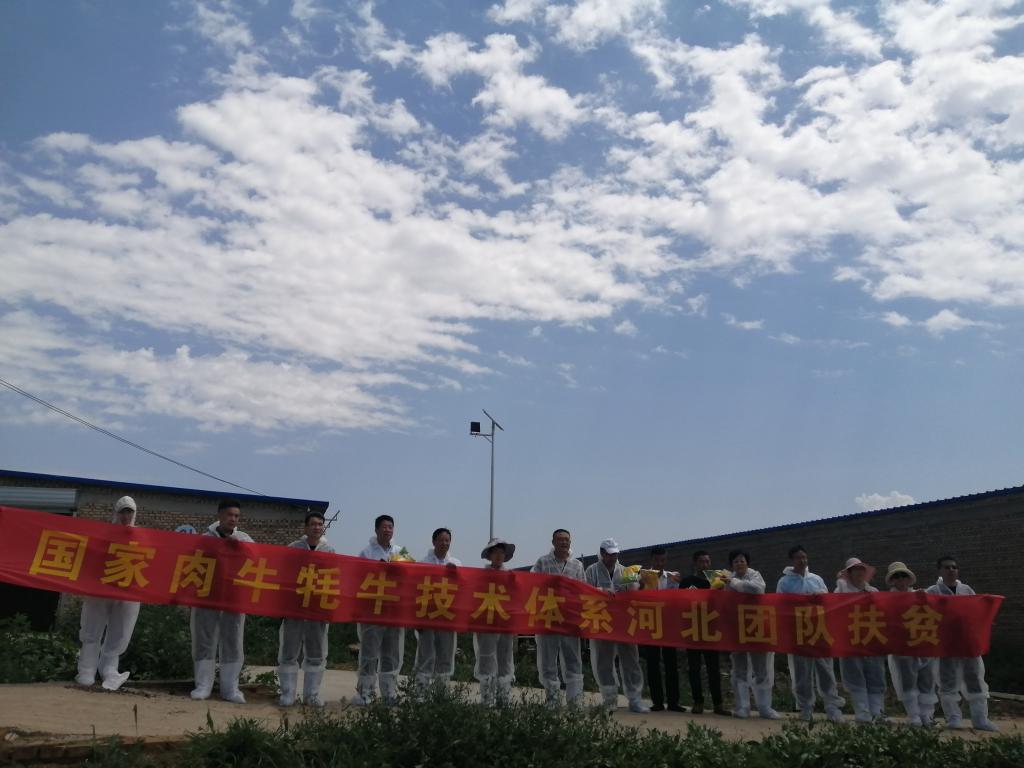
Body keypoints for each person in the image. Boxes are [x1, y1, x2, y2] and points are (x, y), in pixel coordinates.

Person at [190, 499, 254, 703]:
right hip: (207, 597)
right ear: (220, 516)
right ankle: (203, 686)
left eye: (236, 516)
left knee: (233, 641)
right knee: (204, 640)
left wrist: (241, 549)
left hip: (233, 598)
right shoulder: (205, 539)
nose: (233, 519)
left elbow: (257, 561)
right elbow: (193, 563)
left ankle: (230, 689)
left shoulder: (244, 539)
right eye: (229, 515)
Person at [75, 495, 141, 691]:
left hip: (127, 592)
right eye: (122, 512)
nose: (126, 516)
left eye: (129, 512)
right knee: (92, 628)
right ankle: (86, 669)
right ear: (116, 513)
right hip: (101, 590)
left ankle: (109, 669)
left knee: (120, 632)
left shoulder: (141, 538)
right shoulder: (103, 535)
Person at [926, 556, 999, 731]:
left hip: (967, 643)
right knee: (947, 682)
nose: (951, 570)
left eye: (954, 567)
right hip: (946, 645)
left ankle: (980, 719)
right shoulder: (933, 592)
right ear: (939, 571)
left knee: (975, 679)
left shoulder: (966, 590)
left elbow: (976, 613)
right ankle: (953, 718)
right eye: (946, 567)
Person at [777, 545, 844, 722]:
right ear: (792, 560)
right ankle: (805, 707)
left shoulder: (816, 579)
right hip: (799, 632)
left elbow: (828, 601)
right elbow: (780, 605)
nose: (802, 560)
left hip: (820, 630)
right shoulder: (784, 582)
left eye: (804, 557)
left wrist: (820, 595)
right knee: (802, 673)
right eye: (798, 557)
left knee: (826, 671)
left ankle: (832, 707)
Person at [584, 538, 651, 713]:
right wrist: (601, 591)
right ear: (602, 553)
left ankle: (635, 699)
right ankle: (610, 699)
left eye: (615, 554)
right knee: (604, 661)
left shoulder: (626, 571)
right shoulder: (592, 571)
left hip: (624, 622)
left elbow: (634, 592)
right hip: (603, 621)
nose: (613, 557)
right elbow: (584, 592)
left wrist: (641, 583)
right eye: (610, 554)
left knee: (630, 660)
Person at [277, 511, 335, 707]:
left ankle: (312, 695)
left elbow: (334, 580)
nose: (317, 527)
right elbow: (284, 575)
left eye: (320, 524)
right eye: (313, 524)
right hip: (295, 607)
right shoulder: (293, 548)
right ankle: (287, 694)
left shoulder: (329, 551)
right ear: (305, 527)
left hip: (317, 608)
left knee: (316, 652)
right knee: (289, 650)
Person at [531, 528, 586, 706]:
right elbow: (531, 585)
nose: (563, 542)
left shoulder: (577, 565)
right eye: (560, 539)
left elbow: (583, 590)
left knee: (573, 661)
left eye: (566, 539)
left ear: (570, 542)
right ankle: (552, 700)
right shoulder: (543, 562)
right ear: (553, 542)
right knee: (548, 662)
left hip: (569, 620)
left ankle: (575, 701)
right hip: (548, 619)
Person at [354, 514, 405, 705]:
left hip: (393, 611)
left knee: (391, 654)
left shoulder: (400, 551)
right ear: (376, 529)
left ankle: (389, 694)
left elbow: (412, 574)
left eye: (390, 527)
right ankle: (365, 693)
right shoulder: (366, 552)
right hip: (372, 611)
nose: (387, 530)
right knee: (369, 654)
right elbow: (358, 577)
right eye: (384, 526)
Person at [723, 549, 778, 719]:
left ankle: (764, 707)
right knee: (739, 668)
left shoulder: (755, 575)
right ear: (731, 564)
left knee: (761, 668)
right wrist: (729, 582)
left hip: (756, 626)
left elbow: (758, 589)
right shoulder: (727, 580)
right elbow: (724, 599)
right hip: (737, 628)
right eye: (736, 561)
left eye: (742, 561)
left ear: (747, 563)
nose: (739, 564)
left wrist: (735, 583)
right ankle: (742, 707)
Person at [834, 557, 887, 722]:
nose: (859, 572)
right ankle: (862, 713)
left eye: (861, 569)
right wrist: (841, 583)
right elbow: (835, 607)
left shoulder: (873, 591)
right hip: (851, 640)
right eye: (855, 569)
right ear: (849, 573)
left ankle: (877, 713)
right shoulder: (841, 591)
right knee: (855, 677)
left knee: (876, 676)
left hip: (872, 639)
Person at [885, 561, 937, 726]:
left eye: (903, 575)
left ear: (909, 578)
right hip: (902, 646)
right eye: (897, 576)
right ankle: (913, 715)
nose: (901, 579)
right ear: (892, 580)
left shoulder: (920, 594)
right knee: (908, 681)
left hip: (922, 643)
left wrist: (924, 599)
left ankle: (927, 716)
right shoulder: (887, 599)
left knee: (927, 680)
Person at [678, 550, 727, 715]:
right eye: (701, 562)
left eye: (707, 561)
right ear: (695, 563)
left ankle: (718, 704)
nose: (705, 565)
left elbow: (724, 603)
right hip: (693, 629)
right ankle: (697, 702)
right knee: (694, 668)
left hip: (711, 629)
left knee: (714, 668)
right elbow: (680, 602)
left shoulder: (716, 580)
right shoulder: (687, 581)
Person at [413, 527, 462, 690]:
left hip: (447, 616)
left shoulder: (456, 563)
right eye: (441, 540)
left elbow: (463, 589)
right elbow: (415, 589)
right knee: (426, 653)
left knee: (446, 654)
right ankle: (421, 691)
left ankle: (441, 692)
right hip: (427, 616)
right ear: (433, 542)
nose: (444, 543)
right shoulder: (423, 563)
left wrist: (456, 574)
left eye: (447, 540)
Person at [640, 546, 685, 713]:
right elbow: (634, 593)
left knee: (671, 663)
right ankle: (657, 701)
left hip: (668, 625)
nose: (660, 563)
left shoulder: (673, 577)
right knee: (653, 664)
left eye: (662, 560)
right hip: (650, 623)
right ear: (651, 560)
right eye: (657, 560)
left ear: (666, 560)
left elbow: (679, 598)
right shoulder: (643, 576)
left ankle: (673, 702)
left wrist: (680, 583)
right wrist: (640, 584)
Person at [474, 538, 517, 706]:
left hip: (504, 623)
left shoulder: (511, 576)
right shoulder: (481, 576)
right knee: (486, 659)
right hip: (486, 624)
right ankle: (487, 698)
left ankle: (503, 697)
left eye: (501, 553)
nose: (499, 556)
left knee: (505, 659)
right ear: (489, 555)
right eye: (495, 552)